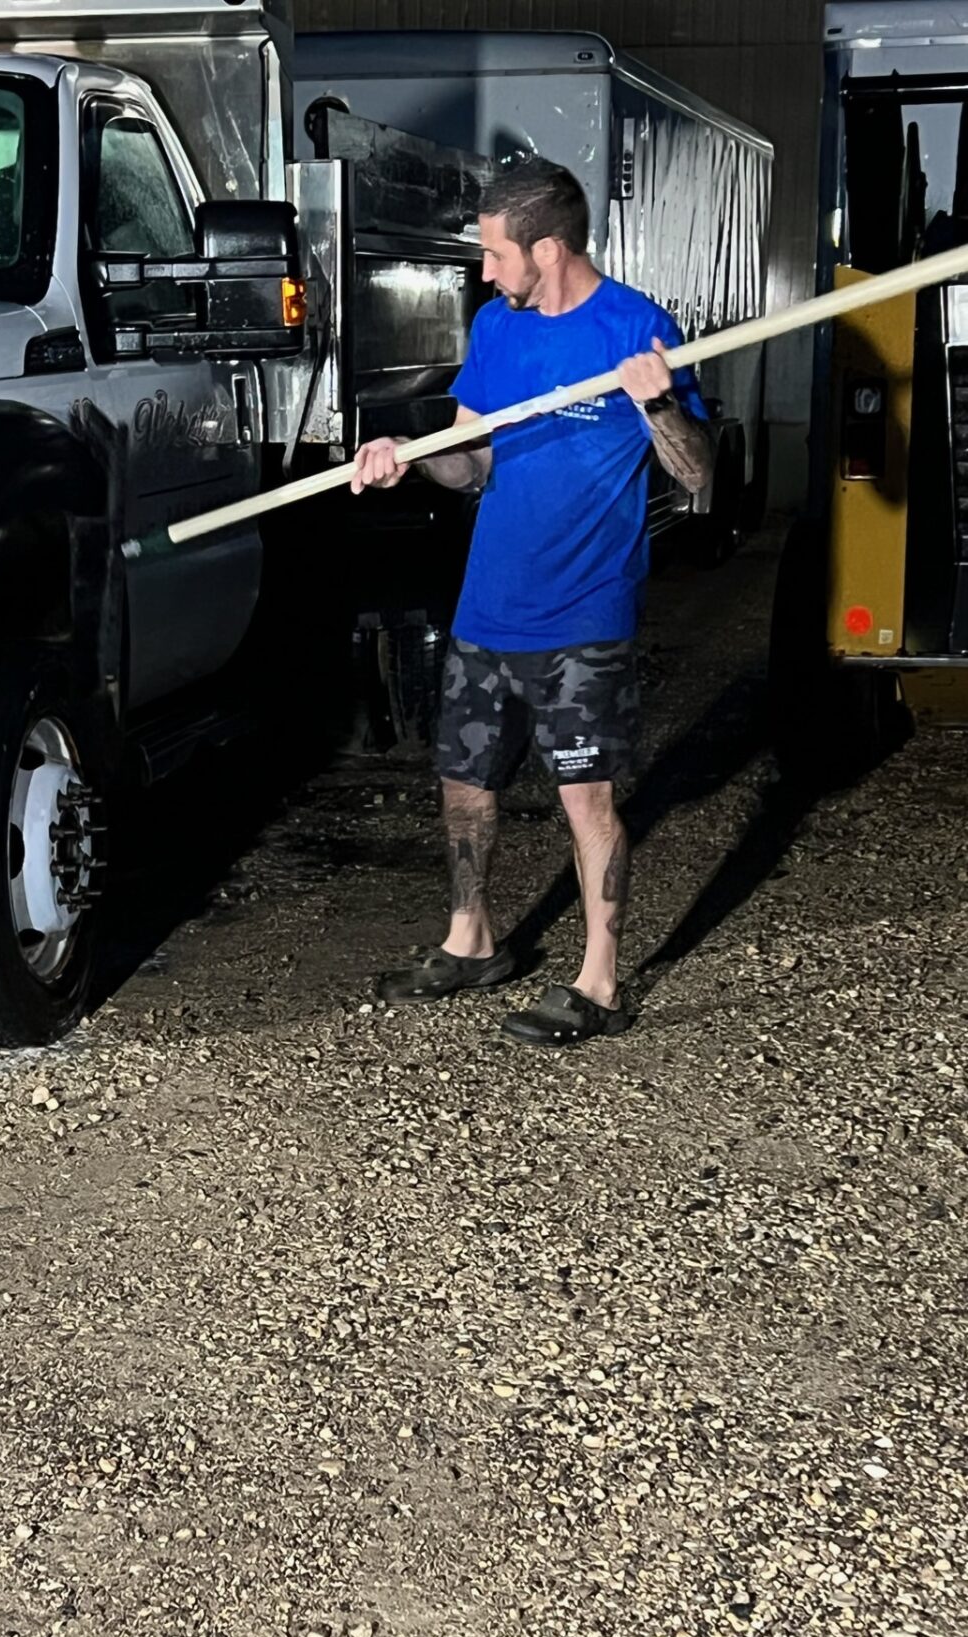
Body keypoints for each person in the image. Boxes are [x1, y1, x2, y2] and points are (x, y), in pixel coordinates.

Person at [352, 156, 713, 1047]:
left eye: (493, 253)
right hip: (487, 605)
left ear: (546, 249)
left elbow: (698, 476)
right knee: (463, 785)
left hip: (583, 613)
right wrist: (408, 454)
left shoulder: (634, 329)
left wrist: (661, 405)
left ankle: (598, 981)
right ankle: (471, 941)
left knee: (585, 800)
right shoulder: (497, 330)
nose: (483, 270)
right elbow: (472, 462)